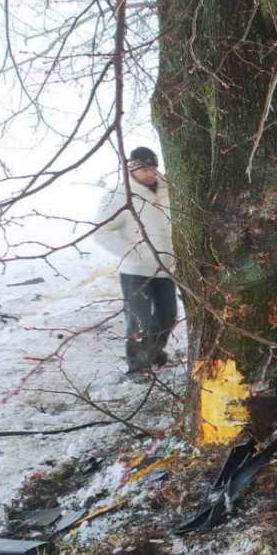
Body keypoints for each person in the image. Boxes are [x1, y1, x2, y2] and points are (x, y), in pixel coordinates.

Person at [94, 147, 178, 381]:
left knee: (168, 316)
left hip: (166, 267)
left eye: (153, 166)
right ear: (132, 169)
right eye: (143, 168)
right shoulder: (119, 196)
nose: (149, 172)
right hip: (136, 271)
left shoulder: (169, 189)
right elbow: (102, 232)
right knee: (138, 320)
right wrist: (135, 253)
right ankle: (138, 367)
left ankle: (155, 354)